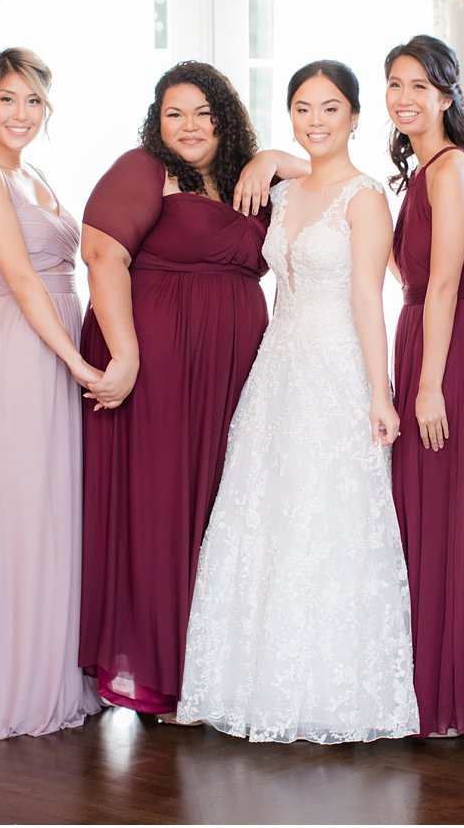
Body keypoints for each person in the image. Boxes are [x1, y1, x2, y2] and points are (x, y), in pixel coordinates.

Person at [178, 60, 419, 743]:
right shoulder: (283, 191)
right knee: (267, 513)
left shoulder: (365, 197)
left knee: (329, 514)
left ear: (354, 117)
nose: (316, 122)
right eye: (304, 109)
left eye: (330, 109)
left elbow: (370, 298)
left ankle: (331, 691)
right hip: (279, 364)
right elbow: (278, 280)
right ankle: (253, 682)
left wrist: (381, 391)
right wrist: (273, 157)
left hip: (338, 361)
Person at [77, 61, 308, 715]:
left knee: (219, 506)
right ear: (156, 121)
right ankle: (159, 672)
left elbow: (331, 182)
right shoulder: (142, 169)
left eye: (203, 112)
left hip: (233, 369)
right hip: (158, 361)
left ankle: (209, 667)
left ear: (225, 116)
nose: (188, 126)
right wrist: (124, 354)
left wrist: (271, 157)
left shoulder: (247, 177)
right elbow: (102, 256)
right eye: (173, 113)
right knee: (162, 505)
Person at [0, 48, 102, 739]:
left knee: (59, 508)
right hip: (29, 347)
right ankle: (15, 682)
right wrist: (76, 362)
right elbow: (26, 280)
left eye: (33, 101)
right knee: (25, 508)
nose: (21, 114)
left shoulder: (32, 171)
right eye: (8, 99)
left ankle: (61, 668)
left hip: (62, 336)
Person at [385, 35, 464, 737]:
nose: (404, 97)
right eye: (395, 84)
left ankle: (454, 692)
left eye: (419, 86)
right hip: (427, 339)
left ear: (447, 96)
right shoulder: (423, 170)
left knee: (447, 509)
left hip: (450, 347)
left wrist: (428, 386)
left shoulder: (450, 169)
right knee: (424, 511)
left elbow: (446, 286)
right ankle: (432, 683)